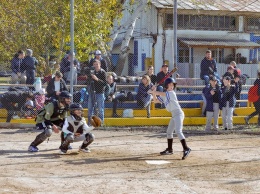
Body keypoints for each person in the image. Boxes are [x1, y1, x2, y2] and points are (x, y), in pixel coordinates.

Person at [148, 77, 191, 159]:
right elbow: (156, 100)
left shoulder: (171, 93)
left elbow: (161, 94)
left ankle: (186, 148)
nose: (172, 86)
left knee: (178, 131)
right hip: (174, 115)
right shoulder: (165, 94)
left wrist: (153, 91)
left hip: (178, 114)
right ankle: (170, 149)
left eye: (172, 85)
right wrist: (153, 92)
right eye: (170, 85)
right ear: (166, 86)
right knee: (169, 132)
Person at [86, 59, 107, 125]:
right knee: (90, 108)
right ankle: (90, 123)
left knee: (100, 109)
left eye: (97, 64)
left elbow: (105, 83)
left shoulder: (103, 72)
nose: (95, 66)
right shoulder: (92, 72)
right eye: (94, 64)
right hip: (92, 92)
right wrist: (88, 78)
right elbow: (87, 83)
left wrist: (97, 79)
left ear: (100, 64)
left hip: (100, 93)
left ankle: (101, 123)